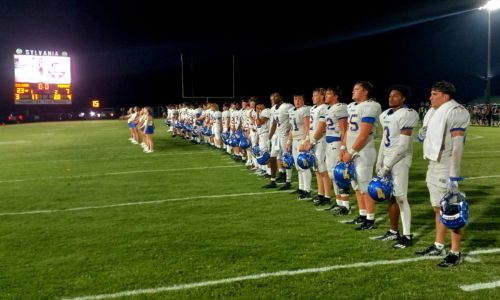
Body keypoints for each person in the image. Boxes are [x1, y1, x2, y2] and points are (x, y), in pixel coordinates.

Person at [415, 81, 470, 267]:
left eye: (434, 94)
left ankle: (455, 252)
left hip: (446, 166)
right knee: (437, 208)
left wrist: (454, 177)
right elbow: (424, 134)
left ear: (445, 96)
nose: (430, 97)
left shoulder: (456, 111)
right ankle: (439, 245)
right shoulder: (433, 112)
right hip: (433, 163)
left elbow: (457, 147)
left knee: (452, 211)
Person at [375, 85, 419, 248]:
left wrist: (386, 166)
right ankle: (394, 232)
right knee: (391, 197)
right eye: (390, 95)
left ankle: (407, 236)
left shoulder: (408, 114)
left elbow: (403, 147)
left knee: (400, 197)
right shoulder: (385, 114)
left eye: (395, 95)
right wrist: (380, 161)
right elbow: (384, 143)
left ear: (403, 98)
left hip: (400, 161)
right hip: (387, 159)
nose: (391, 97)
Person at [342, 81, 382, 230]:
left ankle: (370, 219)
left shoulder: (371, 106)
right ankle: (362, 214)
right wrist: (342, 147)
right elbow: (348, 131)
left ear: (365, 92)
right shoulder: (352, 106)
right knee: (357, 185)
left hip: (363, 152)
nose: (353, 91)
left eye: (356, 89)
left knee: (365, 187)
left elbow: (364, 134)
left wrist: (350, 152)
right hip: (352, 151)